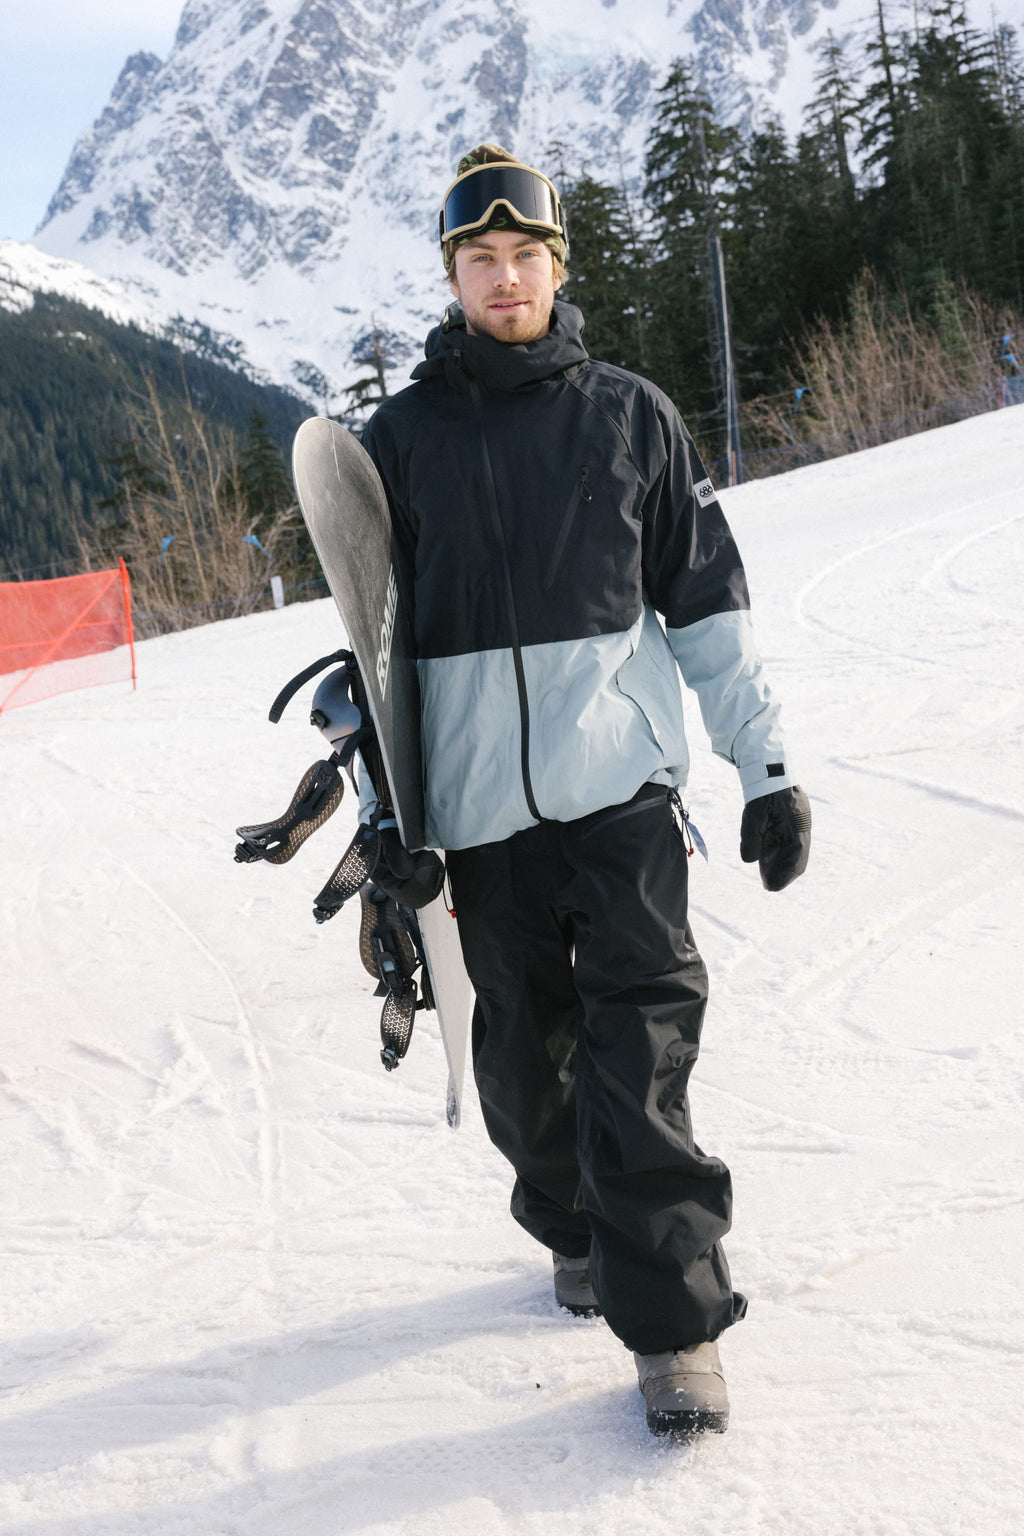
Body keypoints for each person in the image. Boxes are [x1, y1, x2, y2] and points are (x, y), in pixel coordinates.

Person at [362, 144, 812, 1437]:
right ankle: (568, 1222)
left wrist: (764, 770)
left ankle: (671, 1326)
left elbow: (711, 613)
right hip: (484, 833)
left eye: (527, 257)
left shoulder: (630, 419)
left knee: (643, 1060)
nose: (507, 280)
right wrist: (399, 823)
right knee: (524, 1069)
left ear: (559, 268)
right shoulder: (399, 447)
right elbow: (377, 658)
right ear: (452, 276)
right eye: (481, 261)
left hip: (622, 809)